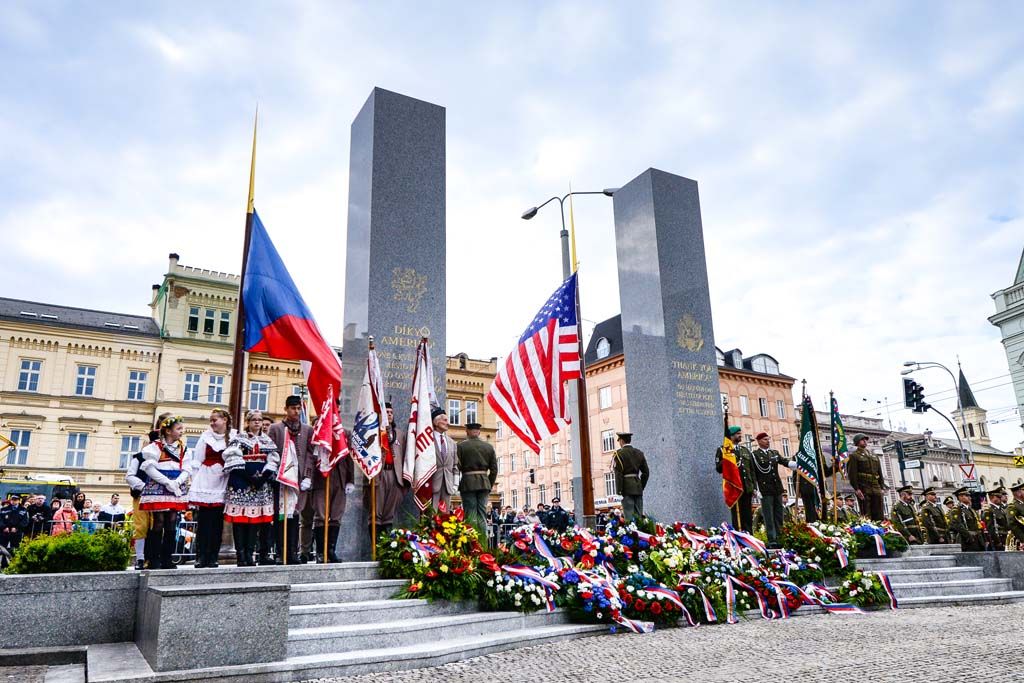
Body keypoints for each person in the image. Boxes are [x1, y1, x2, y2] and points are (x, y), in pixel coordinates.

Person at [223, 410, 280, 566]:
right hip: (241, 482)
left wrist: (263, 477)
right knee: (240, 521)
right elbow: (233, 459)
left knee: (255, 521)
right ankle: (241, 555)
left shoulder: (266, 440)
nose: (257, 422)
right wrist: (249, 478)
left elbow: (273, 460)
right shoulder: (239, 439)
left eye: (259, 420)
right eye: (254, 420)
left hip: (261, 484)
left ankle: (250, 554)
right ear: (247, 422)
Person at [267, 396, 315, 565]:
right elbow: (270, 453)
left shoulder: (307, 429)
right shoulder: (276, 428)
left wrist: (308, 476)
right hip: (282, 479)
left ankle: (293, 552)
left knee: (295, 516)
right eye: (293, 408)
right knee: (281, 516)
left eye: (298, 408)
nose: (296, 411)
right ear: (285, 409)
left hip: (299, 479)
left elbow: (310, 455)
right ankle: (281, 552)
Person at [140, 415, 192, 569]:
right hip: (159, 485)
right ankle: (153, 558)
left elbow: (187, 469)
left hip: (176, 486)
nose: (182, 431)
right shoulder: (154, 447)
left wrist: (176, 482)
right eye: (178, 429)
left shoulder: (183, 449)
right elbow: (149, 467)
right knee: (159, 521)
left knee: (172, 521)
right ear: (168, 431)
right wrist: (167, 482)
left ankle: (167, 558)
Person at [188, 409, 234, 568]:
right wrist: (195, 485)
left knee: (217, 523)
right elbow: (197, 460)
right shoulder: (206, 436)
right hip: (206, 481)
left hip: (223, 481)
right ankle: (201, 556)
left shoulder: (233, 437)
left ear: (225, 420)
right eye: (211, 420)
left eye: (215, 420)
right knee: (203, 521)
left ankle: (214, 556)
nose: (212, 423)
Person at [367, 402, 406, 540]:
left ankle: (386, 544)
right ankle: (375, 545)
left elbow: (405, 455)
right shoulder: (374, 433)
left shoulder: (400, 434)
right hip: (379, 474)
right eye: (386, 412)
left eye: (391, 412)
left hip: (395, 475)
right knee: (376, 511)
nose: (389, 414)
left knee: (389, 512)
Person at [126, 427, 160, 570]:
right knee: (141, 527)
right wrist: (144, 487)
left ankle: (152, 558)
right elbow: (129, 476)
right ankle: (140, 558)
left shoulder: (165, 457)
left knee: (156, 528)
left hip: (159, 498)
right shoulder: (139, 457)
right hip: (141, 496)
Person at [456, 421, 498, 532]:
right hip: (484, 483)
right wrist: (489, 484)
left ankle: (471, 545)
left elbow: (457, 466)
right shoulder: (488, 447)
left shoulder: (460, 446)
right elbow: (494, 470)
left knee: (470, 514)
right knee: (482, 514)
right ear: (479, 432)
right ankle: (483, 544)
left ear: (467, 431)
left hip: (468, 483)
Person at [749, 432, 788, 547]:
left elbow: (783, 461)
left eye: (768, 439)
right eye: (765, 439)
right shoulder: (754, 455)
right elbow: (753, 473)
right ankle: (772, 539)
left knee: (778, 514)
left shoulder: (774, 453)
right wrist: (756, 489)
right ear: (759, 441)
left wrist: (793, 463)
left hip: (777, 488)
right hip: (765, 489)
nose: (768, 441)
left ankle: (781, 537)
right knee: (768, 515)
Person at [715, 426, 755, 531]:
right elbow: (718, 468)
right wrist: (727, 458)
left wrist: (754, 487)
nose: (740, 436)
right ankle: (739, 537)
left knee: (747, 516)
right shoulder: (723, 450)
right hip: (734, 487)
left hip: (746, 487)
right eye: (738, 434)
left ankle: (749, 537)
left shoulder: (745, 450)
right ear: (731, 436)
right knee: (737, 517)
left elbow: (751, 470)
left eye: (740, 434)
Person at [846, 434, 886, 521]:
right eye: (862, 439)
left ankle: (881, 530)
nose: (865, 441)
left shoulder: (874, 455)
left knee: (879, 511)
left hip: (876, 485)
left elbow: (880, 472)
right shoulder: (854, 456)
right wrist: (856, 489)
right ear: (857, 442)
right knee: (866, 511)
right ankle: (869, 531)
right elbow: (852, 474)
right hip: (864, 485)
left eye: (865, 439)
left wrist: (882, 486)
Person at [612, 432, 650, 522]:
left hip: (626, 489)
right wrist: (641, 486)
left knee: (629, 516)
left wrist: (619, 491)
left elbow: (618, 474)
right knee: (639, 516)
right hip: (637, 488)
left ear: (621, 441)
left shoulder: (619, 454)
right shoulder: (639, 453)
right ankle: (640, 534)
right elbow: (646, 472)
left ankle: (632, 535)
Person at [429, 406, 458, 511]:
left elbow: (455, 465)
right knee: (431, 514)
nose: (448, 423)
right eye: (445, 420)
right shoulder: (428, 440)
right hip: (432, 484)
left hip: (448, 485)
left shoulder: (452, 442)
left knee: (445, 516)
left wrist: (455, 484)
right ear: (436, 422)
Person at [948, 486, 984, 552]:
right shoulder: (957, 509)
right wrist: (968, 537)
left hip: (977, 539)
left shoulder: (971, 509)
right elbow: (957, 524)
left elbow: (977, 525)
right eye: (967, 495)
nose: (970, 498)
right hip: (966, 541)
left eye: (969, 495)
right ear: (960, 497)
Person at [981, 487, 1008, 552]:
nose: (1000, 498)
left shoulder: (1001, 509)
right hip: (998, 539)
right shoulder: (989, 511)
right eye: (998, 497)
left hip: (1005, 538)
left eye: (1000, 496)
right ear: (991, 498)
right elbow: (990, 528)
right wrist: (997, 541)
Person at [1006, 481, 1024, 551]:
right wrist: (1023, 539)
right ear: (1019, 493)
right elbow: (1012, 524)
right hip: (1019, 541)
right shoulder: (1013, 506)